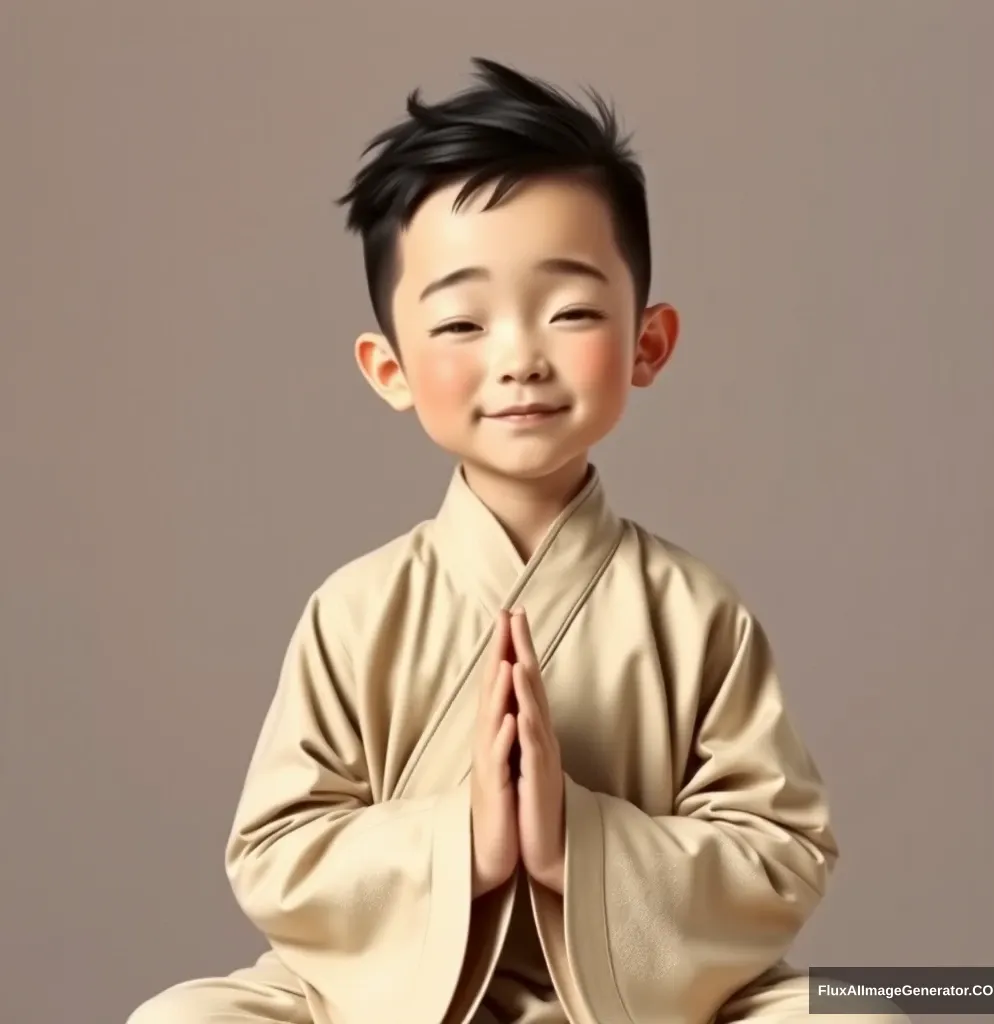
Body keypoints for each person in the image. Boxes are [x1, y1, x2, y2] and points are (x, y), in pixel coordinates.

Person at [128, 58, 907, 1024]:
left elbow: (783, 848)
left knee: (868, 1011)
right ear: (390, 368)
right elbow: (277, 850)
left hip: (646, 1001)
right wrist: (461, 843)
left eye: (572, 309)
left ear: (648, 342)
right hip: (388, 996)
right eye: (460, 320)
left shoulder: (697, 611)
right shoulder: (356, 609)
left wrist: (575, 841)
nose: (520, 356)